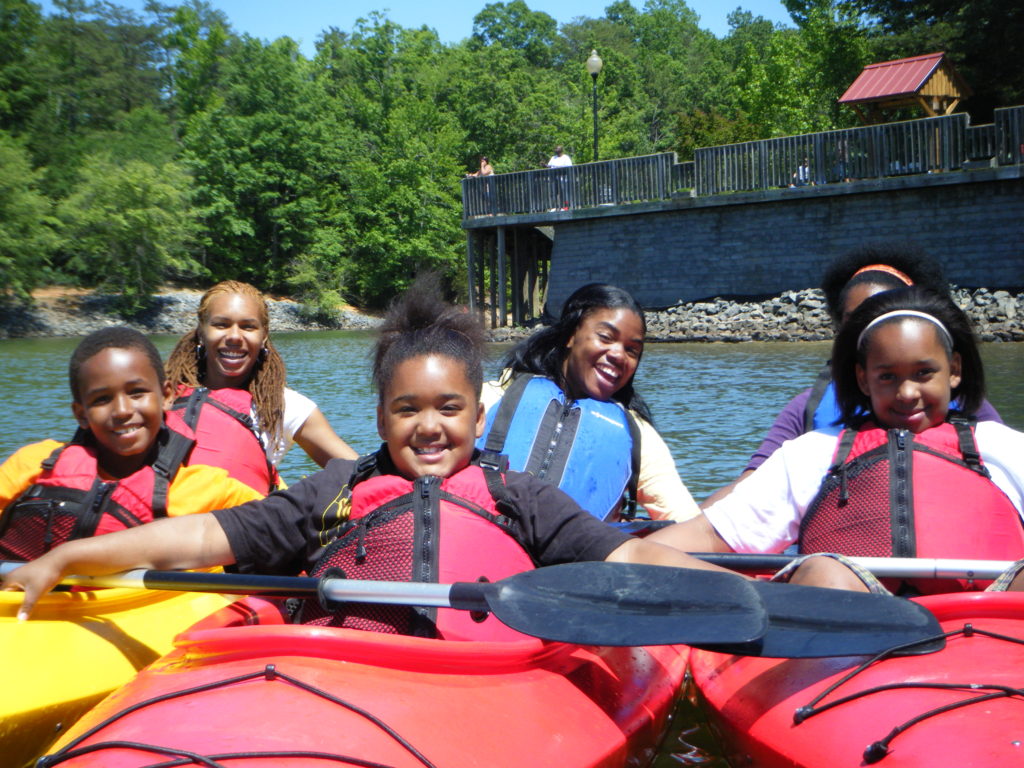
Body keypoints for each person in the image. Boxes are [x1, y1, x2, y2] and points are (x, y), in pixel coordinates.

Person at [2, 276, 721, 632]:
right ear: (379, 416)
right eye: (407, 409)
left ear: (479, 414)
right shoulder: (336, 490)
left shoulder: (519, 496)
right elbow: (202, 534)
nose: (430, 428)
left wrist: (735, 592)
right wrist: (69, 557)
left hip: (491, 683)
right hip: (348, 674)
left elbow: (626, 556)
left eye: (449, 409)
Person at [648, 286, 1024, 594]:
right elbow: (710, 537)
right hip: (853, 633)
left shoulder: (1001, 447)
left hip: (987, 616)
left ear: (954, 370)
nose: (908, 393)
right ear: (863, 379)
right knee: (824, 573)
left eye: (924, 373)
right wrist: (617, 554)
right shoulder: (813, 454)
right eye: (887, 377)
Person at [702, 244, 1002, 506]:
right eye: (856, 320)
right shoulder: (808, 420)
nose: (907, 394)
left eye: (887, 317)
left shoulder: (977, 420)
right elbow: (750, 489)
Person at [0, 327, 263, 561]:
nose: (123, 410)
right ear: (81, 414)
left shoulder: (207, 489)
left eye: (137, 393)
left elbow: (280, 529)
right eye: (102, 399)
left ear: (166, 396)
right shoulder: (33, 465)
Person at [478, 283, 700, 523]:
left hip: (576, 557)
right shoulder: (492, 398)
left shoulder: (638, 436)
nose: (618, 355)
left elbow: (685, 521)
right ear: (571, 335)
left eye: (632, 350)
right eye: (605, 337)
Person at [165, 281, 357, 493]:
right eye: (221, 324)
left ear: (264, 335)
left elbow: (361, 474)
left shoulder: (286, 407)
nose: (234, 337)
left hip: (236, 523)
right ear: (201, 331)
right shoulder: (164, 396)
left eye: (248, 326)